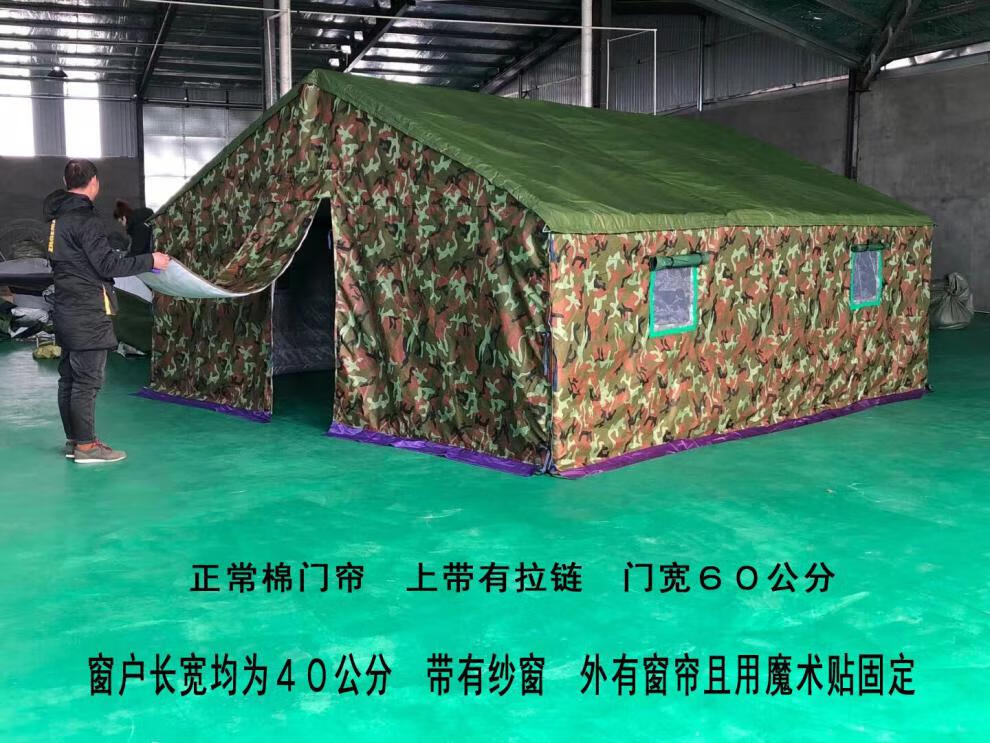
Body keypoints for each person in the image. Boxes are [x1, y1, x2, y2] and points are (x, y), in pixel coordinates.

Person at [44, 159, 171, 464]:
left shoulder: (57, 220)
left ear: (66, 183)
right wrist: (150, 260)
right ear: (94, 183)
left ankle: (75, 440)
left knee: (70, 379)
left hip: (66, 306)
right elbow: (107, 265)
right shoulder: (86, 220)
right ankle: (87, 448)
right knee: (86, 382)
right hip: (88, 310)